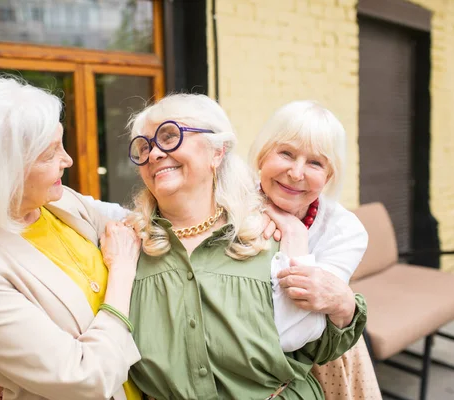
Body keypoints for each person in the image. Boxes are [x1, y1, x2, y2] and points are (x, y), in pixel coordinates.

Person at [124, 93, 368, 399]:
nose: (155, 153)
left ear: (217, 152)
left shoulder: (328, 231)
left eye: (170, 136)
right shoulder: (127, 243)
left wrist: (343, 303)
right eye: (144, 147)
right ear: (262, 158)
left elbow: (304, 336)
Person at [0, 77, 143, 400]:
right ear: (2, 173)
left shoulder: (56, 201)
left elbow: (128, 225)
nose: (68, 160)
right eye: (50, 154)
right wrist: (122, 271)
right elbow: (84, 377)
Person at [250, 100, 382, 399]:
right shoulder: (229, 204)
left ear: (329, 175)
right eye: (285, 153)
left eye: (315, 163)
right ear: (262, 156)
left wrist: (293, 232)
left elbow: (295, 330)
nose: (296, 173)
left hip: (318, 361)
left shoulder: (345, 230)